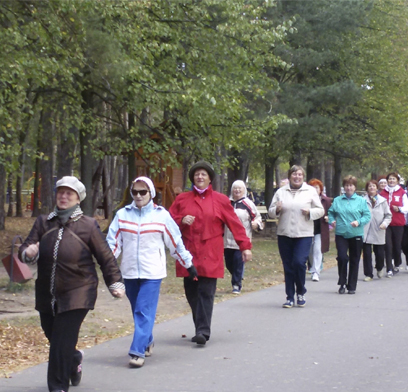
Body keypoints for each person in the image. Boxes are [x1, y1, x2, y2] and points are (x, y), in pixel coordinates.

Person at [19, 176, 125, 392]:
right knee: (53, 335)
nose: (64, 196)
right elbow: (26, 247)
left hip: (79, 291)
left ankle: (57, 387)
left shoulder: (88, 225)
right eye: (61, 192)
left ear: (78, 199)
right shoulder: (43, 222)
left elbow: (105, 257)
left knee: (60, 341)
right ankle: (74, 358)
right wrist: (27, 252)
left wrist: (115, 281)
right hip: (47, 292)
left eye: (69, 193)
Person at [107, 176, 196, 367]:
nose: (138, 196)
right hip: (129, 272)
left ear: (151, 194)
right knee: (137, 310)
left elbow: (175, 242)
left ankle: (137, 351)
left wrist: (188, 264)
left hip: (153, 273)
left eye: (143, 192)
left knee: (143, 310)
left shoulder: (161, 215)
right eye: (135, 192)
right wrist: (107, 264)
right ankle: (147, 340)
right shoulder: (122, 215)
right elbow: (113, 243)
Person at [169, 161, 252, 345]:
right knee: (192, 293)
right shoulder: (182, 199)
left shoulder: (220, 199)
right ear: (192, 178)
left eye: (203, 174)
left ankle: (203, 332)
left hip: (210, 253)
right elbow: (168, 221)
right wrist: (182, 220)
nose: (200, 177)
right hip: (188, 253)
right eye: (197, 174)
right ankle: (200, 326)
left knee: (206, 292)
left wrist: (244, 246)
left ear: (209, 179)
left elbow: (235, 224)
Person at [268, 166, 324, 307]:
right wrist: (277, 209)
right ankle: (290, 297)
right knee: (288, 266)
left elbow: (320, 210)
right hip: (284, 233)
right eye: (294, 174)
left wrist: (310, 212)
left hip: (303, 233)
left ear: (303, 177)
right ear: (290, 176)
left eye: (299, 174)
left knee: (299, 263)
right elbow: (271, 212)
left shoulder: (310, 191)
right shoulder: (281, 192)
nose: (297, 177)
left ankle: (301, 291)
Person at [328, 175, 371, 294]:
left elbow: (367, 216)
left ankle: (352, 285)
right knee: (342, 257)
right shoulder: (337, 200)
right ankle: (342, 282)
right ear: (344, 187)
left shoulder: (361, 201)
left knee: (354, 259)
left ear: (355, 187)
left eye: (351, 185)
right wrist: (332, 221)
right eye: (346, 185)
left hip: (356, 233)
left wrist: (358, 222)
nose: (348, 188)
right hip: (341, 233)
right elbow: (331, 212)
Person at [224, 180, 262, 294]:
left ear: (244, 190)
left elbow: (257, 217)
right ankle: (238, 275)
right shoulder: (227, 203)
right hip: (227, 239)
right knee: (229, 263)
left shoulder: (248, 204)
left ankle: (236, 284)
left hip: (241, 240)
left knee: (238, 261)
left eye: (240, 188)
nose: (237, 190)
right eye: (235, 188)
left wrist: (256, 224)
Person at [379, 172, 408, 277]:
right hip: (385, 223)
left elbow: (407, 208)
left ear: (397, 181)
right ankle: (389, 268)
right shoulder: (383, 193)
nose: (391, 181)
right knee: (388, 245)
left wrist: (399, 209)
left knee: (397, 246)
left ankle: (397, 262)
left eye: (393, 179)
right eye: (390, 179)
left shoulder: (402, 192)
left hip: (398, 223)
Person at [362, 180, 392, 280]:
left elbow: (388, 215)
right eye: (369, 186)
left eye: (373, 186)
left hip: (379, 228)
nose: (372, 188)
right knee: (366, 253)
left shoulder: (382, 201)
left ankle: (379, 267)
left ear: (377, 188)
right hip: (366, 229)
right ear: (367, 188)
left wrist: (384, 223)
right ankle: (368, 274)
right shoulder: (362, 200)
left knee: (379, 253)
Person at [307, 179, 333, 282]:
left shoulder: (325, 200)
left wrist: (328, 218)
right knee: (309, 251)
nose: (315, 189)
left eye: (317, 187)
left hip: (320, 229)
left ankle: (316, 272)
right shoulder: (306, 199)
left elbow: (331, 212)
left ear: (320, 189)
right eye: (312, 187)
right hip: (307, 229)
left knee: (317, 250)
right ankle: (312, 267)